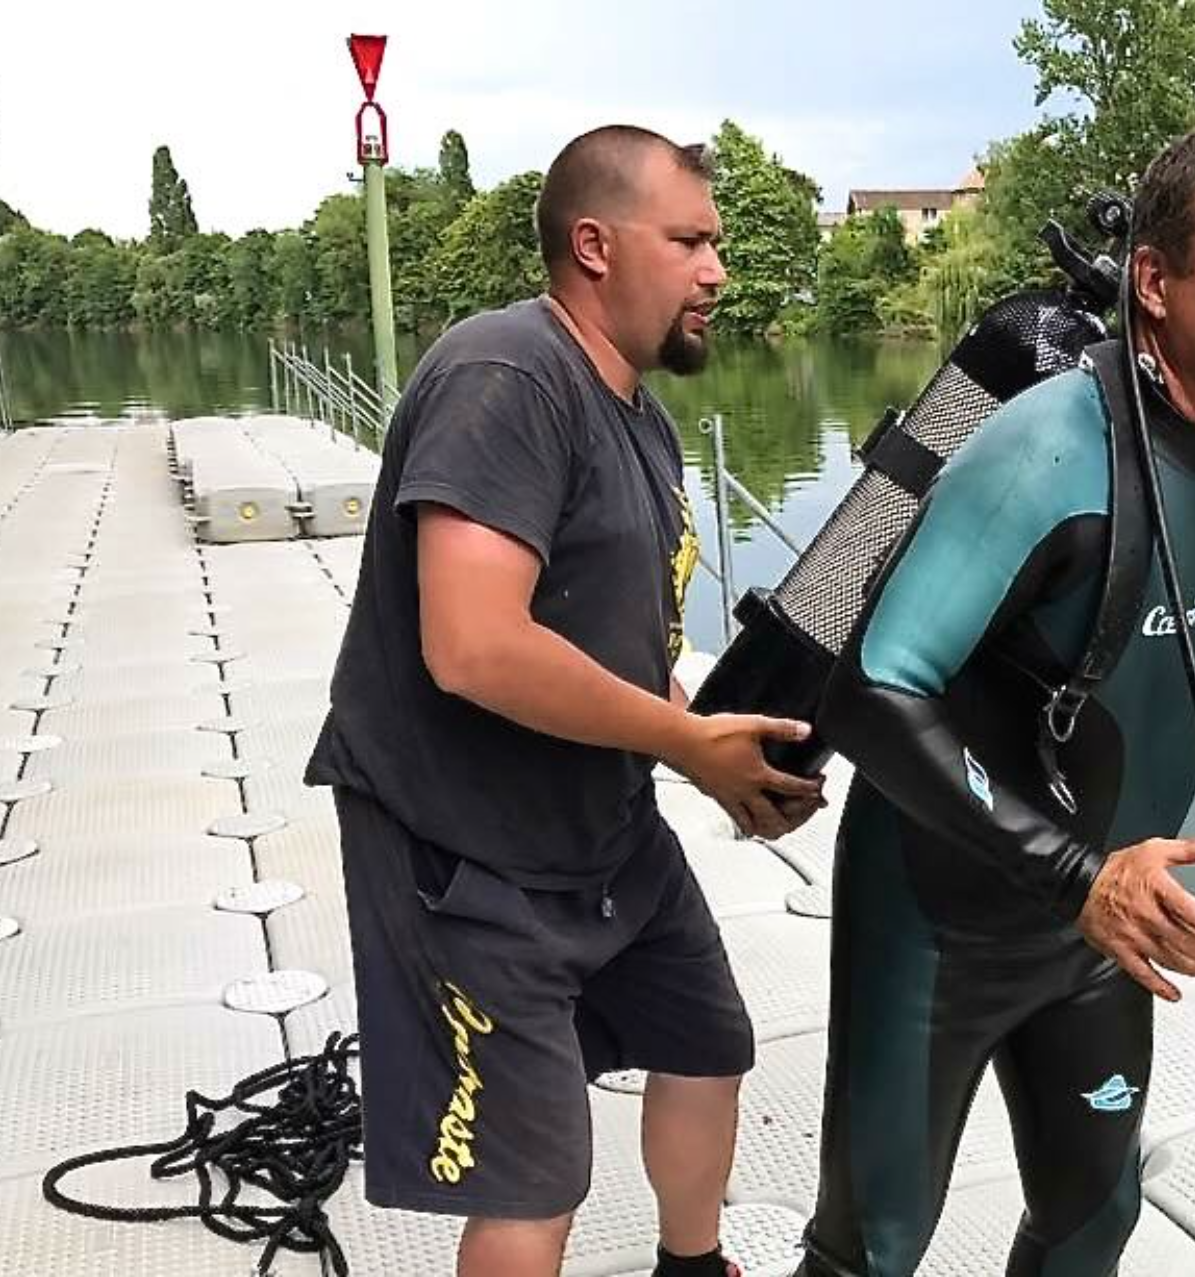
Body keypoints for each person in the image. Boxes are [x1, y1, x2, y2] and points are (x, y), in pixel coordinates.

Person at [794, 121, 1195, 1276]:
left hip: (1098, 929)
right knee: (870, 1247)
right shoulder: (1047, 451)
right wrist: (1080, 876)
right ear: (1155, 282)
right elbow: (869, 691)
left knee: (1091, 1220)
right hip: (939, 926)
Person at [305, 124, 825, 1277]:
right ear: (594, 245)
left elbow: (623, 647)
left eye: (717, 244)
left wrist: (717, 748)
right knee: (534, 1171)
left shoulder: (640, 415)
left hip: (601, 829)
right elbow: (473, 644)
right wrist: (685, 742)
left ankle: (693, 1265)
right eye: (687, 241)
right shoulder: (506, 376)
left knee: (706, 1041)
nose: (716, 271)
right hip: (461, 849)